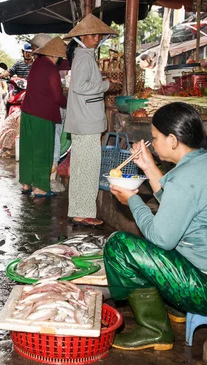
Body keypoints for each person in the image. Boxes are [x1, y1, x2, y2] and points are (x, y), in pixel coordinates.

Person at [104, 102, 207, 351]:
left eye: (155, 138)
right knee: (173, 240)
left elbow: (160, 237)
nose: (152, 142)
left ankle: (155, 330)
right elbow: (178, 208)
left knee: (119, 246)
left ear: (172, 140)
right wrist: (149, 166)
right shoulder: (205, 161)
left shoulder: (186, 178)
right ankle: (177, 307)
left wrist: (133, 200)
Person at [63, 14, 120, 226]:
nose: (96, 38)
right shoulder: (84, 57)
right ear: (82, 37)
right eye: (92, 35)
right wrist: (105, 85)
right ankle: (83, 213)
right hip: (87, 122)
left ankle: (78, 211)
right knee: (88, 168)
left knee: (80, 168)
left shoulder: (82, 55)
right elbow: (80, 87)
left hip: (83, 121)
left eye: (98, 35)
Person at [18, 37, 68, 198]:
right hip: (43, 115)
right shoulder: (50, 68)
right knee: (42, 151)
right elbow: (57, 96)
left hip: (27, 112)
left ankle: (26, 184)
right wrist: (68, 102)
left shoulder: (37, 64)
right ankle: (40, 188)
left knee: (28, 149)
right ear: (56, 55)